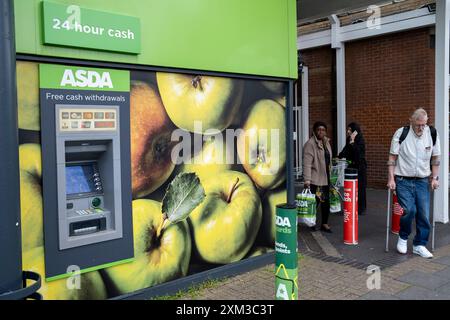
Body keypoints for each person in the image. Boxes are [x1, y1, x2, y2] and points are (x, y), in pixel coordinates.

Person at [387, 108, 440, 259]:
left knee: (423, 213)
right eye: (418, 125)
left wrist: (435, 178)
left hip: (422, 181)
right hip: (403, 180)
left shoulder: (432, 134)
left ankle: (419, 245)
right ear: (411, 121)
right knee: (410, 210)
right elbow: (392, 158)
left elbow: (436, 158)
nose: (421, 128)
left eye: (424, 125)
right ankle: (403, 237)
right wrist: (391, 179)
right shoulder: (401, 133)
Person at [303, 121, 333, 233]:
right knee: (313, 202)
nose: (321, 132)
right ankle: (311, 223)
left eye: (323, 130)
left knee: (326, 202)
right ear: (314, 131)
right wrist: (307, 180)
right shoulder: (310, 144)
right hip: (315, 179)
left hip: (325, 177)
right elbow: (307, 164)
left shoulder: (326, 142)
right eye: (318, 129)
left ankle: (324, 223)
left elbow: (328, 158)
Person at [338, 122, 368, 215]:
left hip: (360, 167)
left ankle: (361, 208)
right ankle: (351, 205)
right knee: (351, 187)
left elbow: (358, 154)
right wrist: (339, 156)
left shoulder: (360, 140)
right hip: (351, 167)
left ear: (355, 131)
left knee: (360, 188)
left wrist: (353, 142)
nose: (348, 131)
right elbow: (346, 150)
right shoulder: (349, 139)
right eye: (348, 130)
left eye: (350, 130)